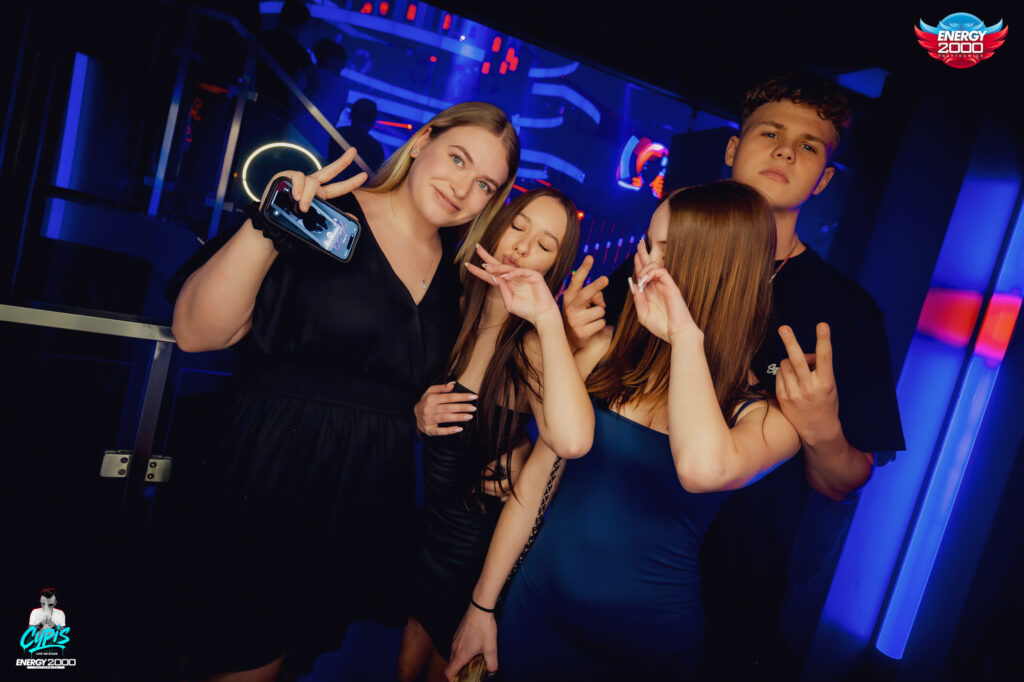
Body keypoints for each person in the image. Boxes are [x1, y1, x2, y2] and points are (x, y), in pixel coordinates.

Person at [563, 73, 906, 678]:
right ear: (732, 147)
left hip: (729, 596)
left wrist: (821, 428)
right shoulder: (662, 255)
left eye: (808, 146)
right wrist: (566, 336)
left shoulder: (847, 313)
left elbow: (842, 484)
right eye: (770, 133)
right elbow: (584, 386)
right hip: (594, 554)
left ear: (825, 179)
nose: (785, 151)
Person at [168, 101, 519, 682]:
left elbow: (410, 385)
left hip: (361, 500)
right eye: (458, 159)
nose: (463, 188)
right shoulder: (324, 210)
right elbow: (195, 333)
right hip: (272, 471)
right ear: (421, 141)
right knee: (240, 657)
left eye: (485, 183)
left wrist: (421, 411)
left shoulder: (456, 279)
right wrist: (271, 220)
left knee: (290, 661)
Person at [447, 181, 802, 680]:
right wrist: (481, 606)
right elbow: (535, 486)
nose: (644, 262)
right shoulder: (602, 352)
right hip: (534, 612)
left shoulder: (767, 418)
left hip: (645, 650)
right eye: (647, 244)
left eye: (666, 251)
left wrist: (685, 337)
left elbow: (699, 467)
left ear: (717, 269)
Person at [396, 188, 590, 682]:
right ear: (498, 225)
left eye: (545, 245)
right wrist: (414, 413)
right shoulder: (447, 302)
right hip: (425, 540)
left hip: (476, 562)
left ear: (553, 269)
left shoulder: (528, 345)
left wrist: (548, 319)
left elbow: (571, 441)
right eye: (519, 226)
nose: (523, 247)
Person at [328, 98, 386, 180]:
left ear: (351, 114)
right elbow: (374, 178)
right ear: (372, 119)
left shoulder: (338, 133)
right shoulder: (376, 148)